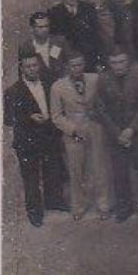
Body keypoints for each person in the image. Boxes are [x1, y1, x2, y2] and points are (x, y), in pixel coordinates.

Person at [92, 48, 138, 222]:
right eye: (114, 63)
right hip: (115, 136)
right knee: (120, 174)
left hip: (137, 133)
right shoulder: (103, 79)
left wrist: (131, 129)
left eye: (121, 62)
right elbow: (100, 109)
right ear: (109, 63)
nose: (118, 66)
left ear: (128, 61)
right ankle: (124, 208)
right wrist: (117, 133)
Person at [5, 52, 69, 226]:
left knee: (52, 170)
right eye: (28, 66)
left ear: (39, 66)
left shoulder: (49, 85)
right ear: (22, 68)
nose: (32, 69)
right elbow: (8, 119)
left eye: (35, 65)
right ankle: (34, 212)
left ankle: (54, 201)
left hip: (48, 136)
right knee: (31, 177)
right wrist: (29, 117)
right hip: (27, 140)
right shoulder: (13, 91)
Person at [51, 53, 105, 219]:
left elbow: (103, 101)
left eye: (80, 65)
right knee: (76, 171)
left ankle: (103, 204)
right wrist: (73, 130)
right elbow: (56, 116)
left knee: (98, 167)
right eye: (73, 66)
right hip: (73, 132)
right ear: (67, 67)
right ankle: (79, 206)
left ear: (84, 65)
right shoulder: (58, 87)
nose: (77, 69)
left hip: (94, 128)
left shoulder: (95, 79)